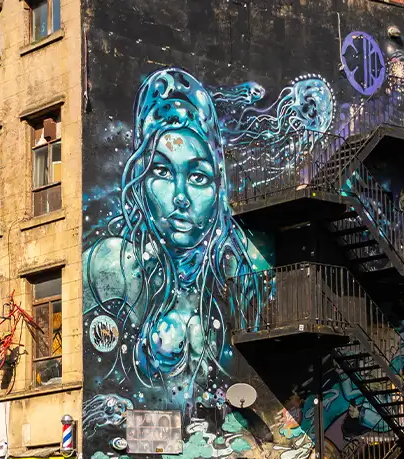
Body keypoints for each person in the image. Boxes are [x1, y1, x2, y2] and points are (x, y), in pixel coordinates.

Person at [84, 67, 269, 404]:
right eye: (163, 171)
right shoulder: (113, 266)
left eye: (198, 176)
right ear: (141, 177)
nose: (180, 196)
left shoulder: (239, 269)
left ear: (218, 188)